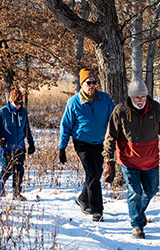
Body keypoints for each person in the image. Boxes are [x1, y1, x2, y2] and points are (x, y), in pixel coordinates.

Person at [102, 78, 160, 239]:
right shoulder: (120, 111)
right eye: (136, 97)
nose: (140, 100)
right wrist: (109, 161)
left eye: (143, 96)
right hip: (128, 161)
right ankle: (136, 225)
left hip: (151, 159)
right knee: (134, 192)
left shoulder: (156, 109)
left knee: (151, 190)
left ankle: (139, 210)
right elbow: (110, 137)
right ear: (130, 97)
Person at [59, 68, 115, 221]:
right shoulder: (73, 102)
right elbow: (66, 125)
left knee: (95, 174)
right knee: (92, 174)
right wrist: (62, 147)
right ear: (82, 84)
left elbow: (115, 118)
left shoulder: (104, 98)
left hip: (100, 143)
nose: (92, 85)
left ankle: (83, 198)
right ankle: (97, 210)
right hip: (82, 143)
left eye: (94, 82)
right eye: (88, 83)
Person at [0, 89, 35, 201]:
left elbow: (26, 128)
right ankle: (0, 189)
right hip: (6, 147)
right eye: (16, 103)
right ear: (10, 101)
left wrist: (31, 142)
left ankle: (17, 194)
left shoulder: (23, 112)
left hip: (19, 146)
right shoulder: (2, 112)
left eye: (20, 103)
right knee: (8, 169)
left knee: (19, 170)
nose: (18, 105)